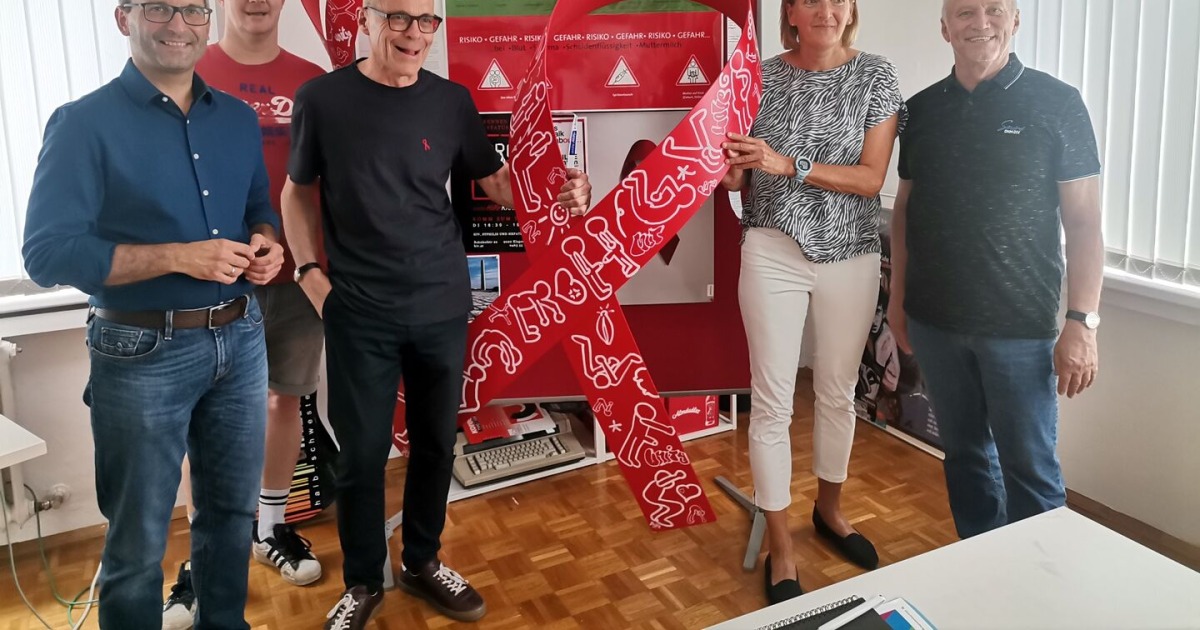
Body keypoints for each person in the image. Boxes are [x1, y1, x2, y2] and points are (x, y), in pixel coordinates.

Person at [281, 0, 591, 626]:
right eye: (398, 17)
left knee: (434, 446)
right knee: (363, 456)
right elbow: (296, 193)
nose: (414, 33)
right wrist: (311, 276)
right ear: (366, 20)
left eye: (426, 21)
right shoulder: (322, 100)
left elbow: (497, 183)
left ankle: (422, 562)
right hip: (358, 312)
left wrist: (563, 190)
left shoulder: (451, 102)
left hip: (440, 306)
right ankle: (363, 581)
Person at [21, 1, 284, 627]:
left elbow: (258, 206)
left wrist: (267, 244)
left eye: (193, 9)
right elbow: (47, 254)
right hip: (141, 351)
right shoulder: (82, 124)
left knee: (231, 515)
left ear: (207, 20)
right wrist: (179, 257)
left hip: (242, 337)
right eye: (160, 7)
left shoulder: (237, 118)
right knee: (138, 539)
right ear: (125, 18)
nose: (178, 25)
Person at [888, 0, 1103, 539]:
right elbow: (905, 211)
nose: (980, 23)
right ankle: (981, 566)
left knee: (1030, 469)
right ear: (945, 28)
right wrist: (897, 301)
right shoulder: (920, 111)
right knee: (965, 459)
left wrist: (1082, 321)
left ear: (1015, 20)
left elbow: (1083, 223)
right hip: (935, 323)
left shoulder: (1058, 103)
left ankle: (1041, 582)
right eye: (965, 12)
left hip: (1020, 329)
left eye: (993, 10)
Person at [721, 0, 903, 604]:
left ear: (850, 10)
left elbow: (871, 178)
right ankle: (781, 545)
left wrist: (789, 163)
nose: (825, 9)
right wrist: (727, 170)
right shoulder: (759, 77)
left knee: (837, 392)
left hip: (851, 251)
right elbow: (741, 176)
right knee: (772, 401)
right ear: (791, 13)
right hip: (772, 247)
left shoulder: (876, 74)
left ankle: (829, 511)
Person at [158, 0, 327, 626]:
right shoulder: (187, 67)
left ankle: (270, 529)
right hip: (211, 280)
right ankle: (202, 559)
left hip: (298, 273)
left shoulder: (312, 79)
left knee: (287, 399)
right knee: (203, 417)